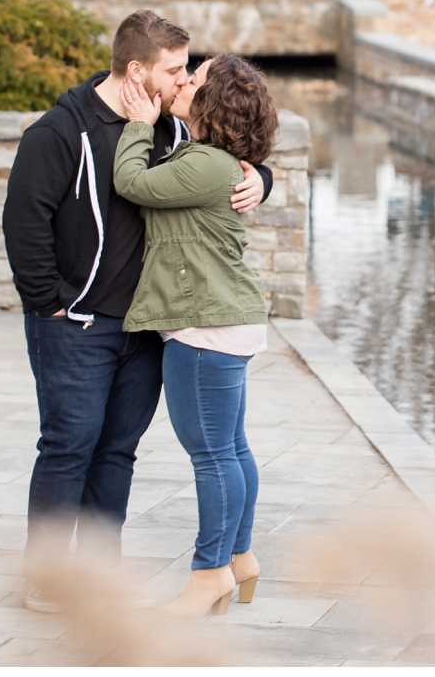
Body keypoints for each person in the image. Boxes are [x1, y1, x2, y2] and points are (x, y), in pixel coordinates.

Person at [2, 11, 273, 614]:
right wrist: (50, 304)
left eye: (187, 70)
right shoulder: (57, 133)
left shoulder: (173, 130)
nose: (184, 82)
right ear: (136, 71)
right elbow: (23, 225)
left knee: (117, 451)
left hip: (147, 331)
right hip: (74, 325)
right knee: (69, 446)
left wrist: (264, 179)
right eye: (175, 70)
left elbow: (224, 157)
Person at [112, 54, 275, 619]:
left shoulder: (206, 163)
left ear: (213, 103)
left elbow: (132, 182)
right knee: (230, 447)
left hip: (205, 326)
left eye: (196, 79)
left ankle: (210, 574)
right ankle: (240, 557)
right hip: (222, 319)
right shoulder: (217, 159)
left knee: (211, 456)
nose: (184, 82)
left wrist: (136, 126)